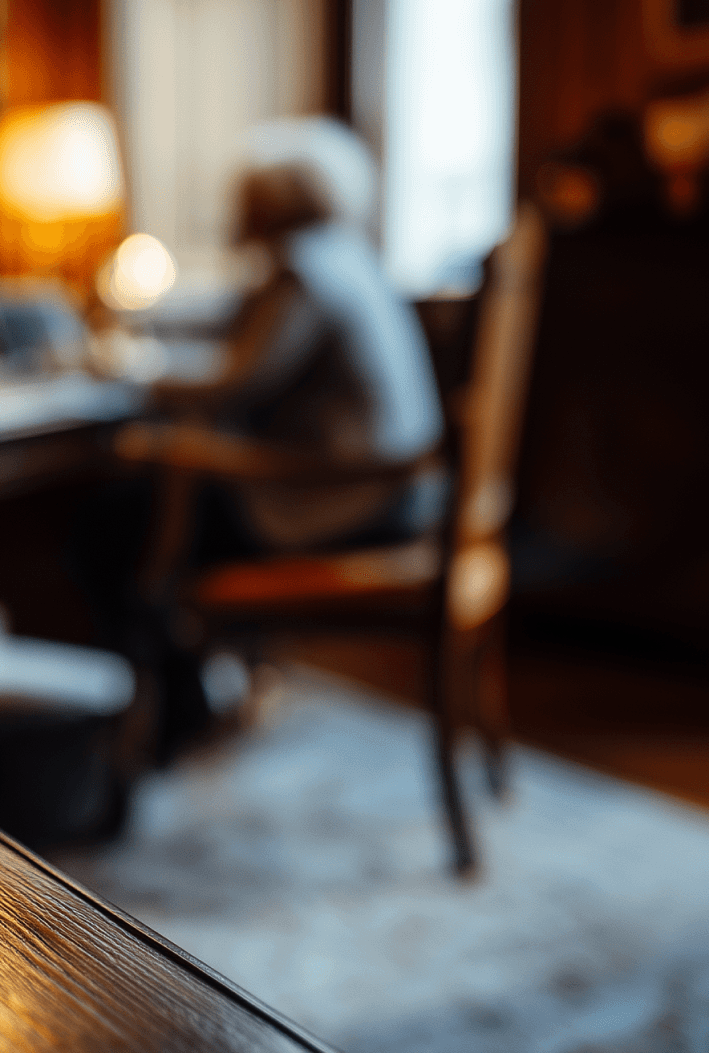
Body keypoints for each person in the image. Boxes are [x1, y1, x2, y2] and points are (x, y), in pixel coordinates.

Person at [73, 116, 447, 762]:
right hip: (399, 493)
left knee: (113, 522)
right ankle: (189, 690)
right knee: (153, 499)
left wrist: (135, 373)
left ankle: (165, 711)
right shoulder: (346, 256)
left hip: (339, 503)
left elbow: (233, 383)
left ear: (264, 201)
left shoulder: (303, 269)